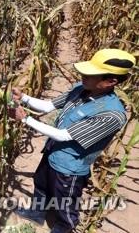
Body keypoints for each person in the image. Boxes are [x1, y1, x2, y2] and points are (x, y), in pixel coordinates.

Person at [8, 48, 136, 233]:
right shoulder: (81, 88)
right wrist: (24, 98)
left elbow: (65, 135)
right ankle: (36, 214)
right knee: (41, 184)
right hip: (52, 152)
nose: (84, 75)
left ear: (111, 81)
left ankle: (64, 227)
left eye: (91, 74)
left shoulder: (112, 114)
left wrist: (25, 119)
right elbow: (49, 106)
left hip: (69, 168)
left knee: (64, 205)